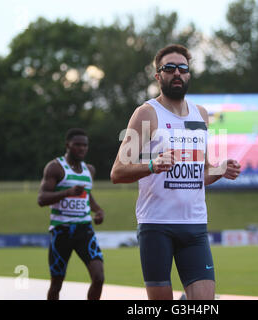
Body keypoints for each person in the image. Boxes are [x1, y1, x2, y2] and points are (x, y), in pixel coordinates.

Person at [110, 44, 241, 300]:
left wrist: (220, 170)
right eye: (169, 68)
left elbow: (198, 176)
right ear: (158, 76)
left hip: (194, 225)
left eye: (183, 68)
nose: (177, 73)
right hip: (157, 225)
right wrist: (151, 165)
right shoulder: (146, 114)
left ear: (189, 74)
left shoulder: (201, 115)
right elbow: (117, 172)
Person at [38, 128, 105, 300]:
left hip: (84, 230)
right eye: (77, 145)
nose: (82, 148)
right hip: (62, 231)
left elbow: (87, 195)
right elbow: (42, 199)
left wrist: (98, 210)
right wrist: (67, 192)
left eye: (85, 145)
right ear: (68, 145)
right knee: (56, 284)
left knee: (99, 277)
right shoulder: (55, 167)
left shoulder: (89, 170)